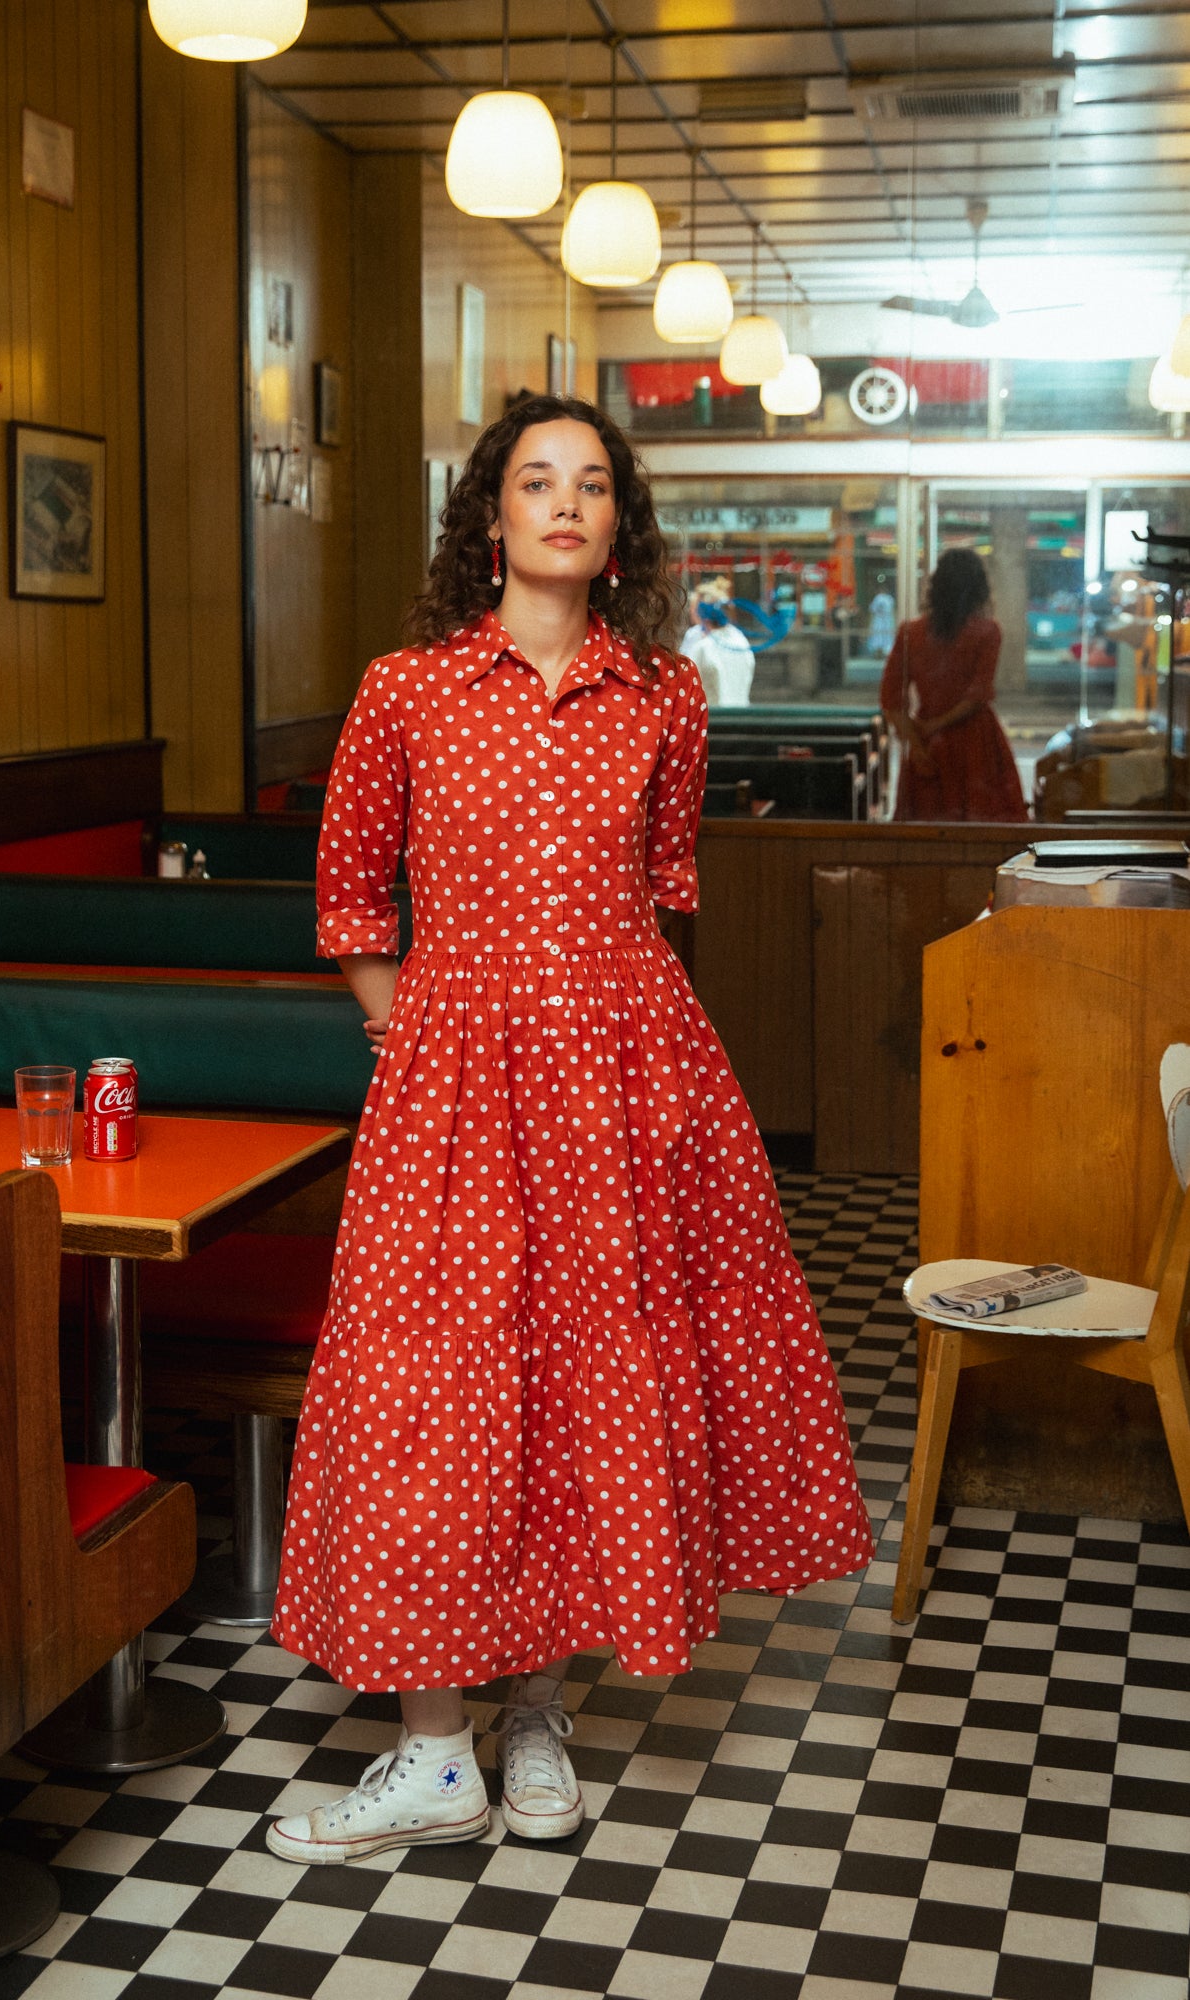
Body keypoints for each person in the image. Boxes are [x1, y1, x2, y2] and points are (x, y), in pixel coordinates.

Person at [265, 395, 874, 1866]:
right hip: (454, 1082)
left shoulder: (664, 694)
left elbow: (666, 887)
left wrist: (610, 1045)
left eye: (590, 485)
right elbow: (352, 900)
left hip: (625, 1077)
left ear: (618, 530)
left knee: (578, 1392)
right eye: (534, 481)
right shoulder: (405, 688)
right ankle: (429, 1748)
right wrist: (406, 1030)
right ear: (489, 521)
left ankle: (532, 1724)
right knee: (435, 1394)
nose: (562, 503)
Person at [880, 548, 1027, 821]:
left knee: (926, 826)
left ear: (936, 585)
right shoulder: (988, 631)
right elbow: (978, 694)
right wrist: (937, 725)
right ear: (979, 588)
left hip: (926, 738)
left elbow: (891, 698)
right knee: (983, 822)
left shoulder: (910, 633)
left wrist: (919, 743)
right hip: (975, 738)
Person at [679, 574, 756, 705]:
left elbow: (683, 681)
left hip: (713, 717)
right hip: (740, 714)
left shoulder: (703, 647)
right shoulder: (740, 640)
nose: (692, 612)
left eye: (695, 608)